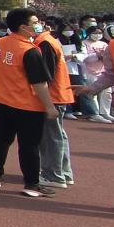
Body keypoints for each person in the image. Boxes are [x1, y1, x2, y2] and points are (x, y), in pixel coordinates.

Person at [0, 8, 58, 198]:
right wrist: (49, 106)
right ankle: (32, 183)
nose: (38, 25)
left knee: (1, 138)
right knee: (29, 145)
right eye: (35, 22)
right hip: (26, 105)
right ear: (23, 27)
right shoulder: (30, 51)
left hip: (1, 100)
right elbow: (39, 83)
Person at [34, 21, 75, 189]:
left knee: (51, 136)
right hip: (58, 94)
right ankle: (64, 172)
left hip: (53, 96)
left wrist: (45, 100)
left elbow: (45, 75)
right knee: (57, 135)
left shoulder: (44, 43)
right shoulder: (49, 40)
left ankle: (53, 174)